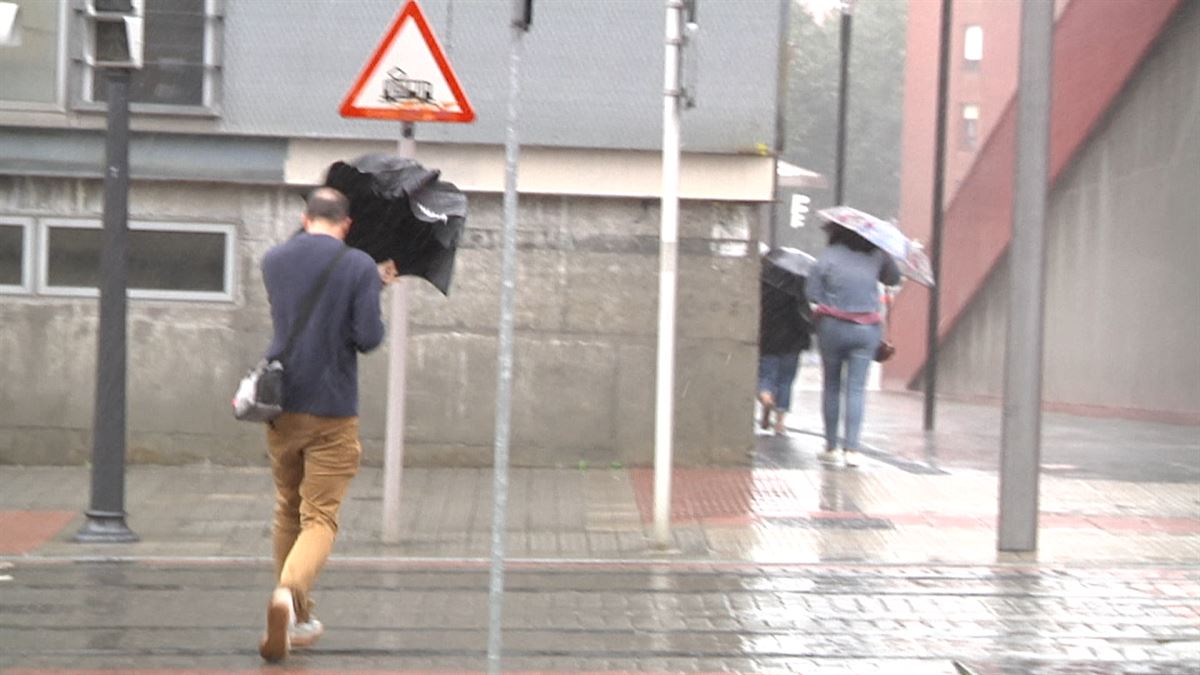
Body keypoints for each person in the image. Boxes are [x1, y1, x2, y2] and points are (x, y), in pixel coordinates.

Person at [256, 187, 394, 662]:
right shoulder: (358, 265)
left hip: (280, 405)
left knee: (286, 509)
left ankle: (297, 613)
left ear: (304, 216)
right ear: (347, 224)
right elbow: (367, 337)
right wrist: (373, 287)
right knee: (320, 516)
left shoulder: (274, 260)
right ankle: (288, 596)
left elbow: (297, 313)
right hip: (332, 409)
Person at [806, 222, 900, 467]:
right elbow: (893, 278)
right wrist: (884, 257)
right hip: (866, 329)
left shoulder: (827, 256)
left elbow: (812, 293)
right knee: (856, 389)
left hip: (833, 327)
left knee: (832, 386)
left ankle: (830, 446)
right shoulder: (877, 255)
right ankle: (853, 450)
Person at [757, 260, 812, 435]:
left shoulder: (764, 288)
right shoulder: (799, 291)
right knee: (786, 380)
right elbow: (806, 318)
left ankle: (766, 396)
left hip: (769, 339)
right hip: (792, 342)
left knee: (766, 374)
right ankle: (780, 422)